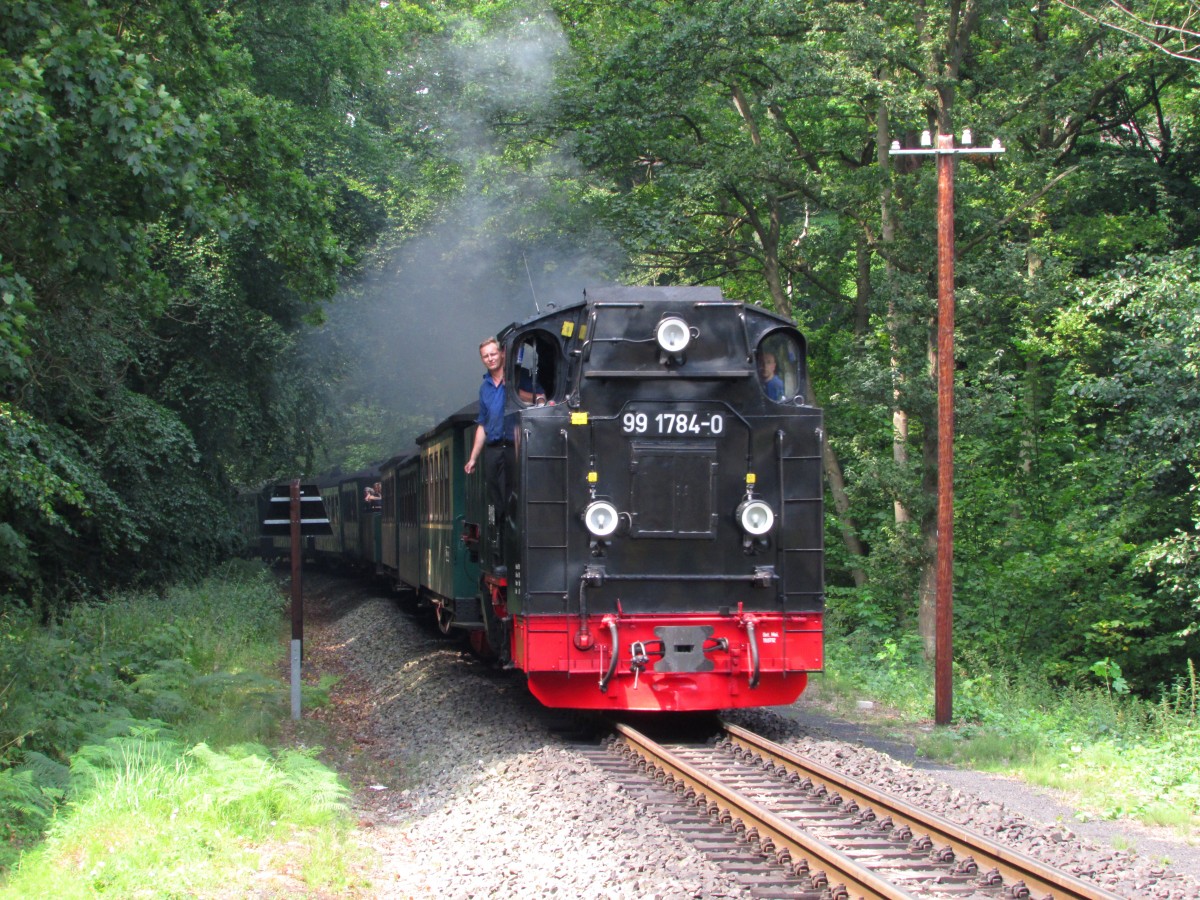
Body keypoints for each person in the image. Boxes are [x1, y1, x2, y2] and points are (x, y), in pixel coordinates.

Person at [465, 337, 510, 520]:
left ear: (501, 354)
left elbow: (539, 398)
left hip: (514, 444)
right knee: (493, 487)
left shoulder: (517, 378)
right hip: (493, 447)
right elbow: (482, 425)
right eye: (486, 356)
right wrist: (473, 458)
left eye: (493, 354)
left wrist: (513, 388)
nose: (490, 358)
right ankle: (502, 524)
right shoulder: (485, 388)